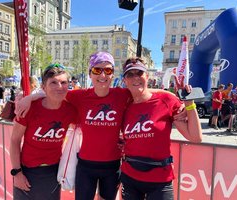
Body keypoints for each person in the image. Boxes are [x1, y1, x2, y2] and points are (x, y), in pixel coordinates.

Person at [15, 52, 186, 200]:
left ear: (113, 74)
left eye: (108, 70)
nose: (102, 75)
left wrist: (176, 99)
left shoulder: (122, 95)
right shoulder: (79, 96)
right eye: (97, 70)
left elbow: (144, 89)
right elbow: (56, 92)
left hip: (112, 166)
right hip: (85, 166)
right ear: (90, 74)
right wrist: (30, 97)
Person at [120, 57, 202, 200]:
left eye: (139, 73)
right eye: (130, 74)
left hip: (160, 180)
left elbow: (195, 137)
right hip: (130, 177)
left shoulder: (166, 101)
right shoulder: (123, 104)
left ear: (147, 76)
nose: (135, 78)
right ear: (124, 80)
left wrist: (189, 104)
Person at [10, 63, 77, 200]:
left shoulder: (70, 110)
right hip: (27, 171)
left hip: (53, 172)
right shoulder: (29, 108)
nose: (59, 87)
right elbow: (14, 140)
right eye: (53, 83)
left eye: (63, 82)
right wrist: (17, 173)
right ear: (43, 87)